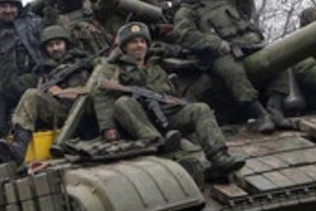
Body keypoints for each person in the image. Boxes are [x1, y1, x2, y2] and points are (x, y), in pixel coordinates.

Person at [91, 22, 245, 181]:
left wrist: (173, 100)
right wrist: (108, 127)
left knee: (200, 109)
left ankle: (219, 156)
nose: (139, 46)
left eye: (142, 42)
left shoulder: (155, 67)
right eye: (133, 42)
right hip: (139, 122)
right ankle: (158, 143)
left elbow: (170, 92)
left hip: (166, 116)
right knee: (123, 102)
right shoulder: (113, 69)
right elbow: (101, 95)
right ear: (124, 47)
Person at [173, 0, 292, 132]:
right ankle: (260, 114)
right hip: (219, 55)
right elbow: (186, 35)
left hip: (250, 44)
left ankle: (275, 108)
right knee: (233, 72)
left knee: (280, 59)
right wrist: (216, 43)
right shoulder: (187, 11)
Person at [0, 26, 98, 164]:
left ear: (66, 44)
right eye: (50, 45)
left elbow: (89, 94)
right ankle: (18, 145)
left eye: (58, 43)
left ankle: (20, 147)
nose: (55, 48)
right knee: (27, 99)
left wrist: (60, 92)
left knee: (31, 95)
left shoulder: (80, 65)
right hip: (57, 114)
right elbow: (14, 87)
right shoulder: (45, 70)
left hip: (79, 115)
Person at [0, 0, 44, 167]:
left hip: (33, 73)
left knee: (9, 87)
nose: (8, 11)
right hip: (5, 74)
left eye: (12, 6)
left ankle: (17, 144)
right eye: (3, 7)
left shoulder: (33, 22)